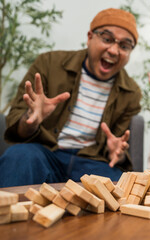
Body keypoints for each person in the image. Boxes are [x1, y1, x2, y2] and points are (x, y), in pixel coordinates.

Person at [0, 8, 142, 187]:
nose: (114, 50)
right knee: (19, 156)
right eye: (107, 39)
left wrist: (118, 153)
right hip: (45, 153)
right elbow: (15, 124)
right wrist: (31, 120)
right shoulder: (48, 64)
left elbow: (116, 147)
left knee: (122, 185)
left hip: (91, 163)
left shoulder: (131, 93)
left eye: (124, 46)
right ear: (90, 37)